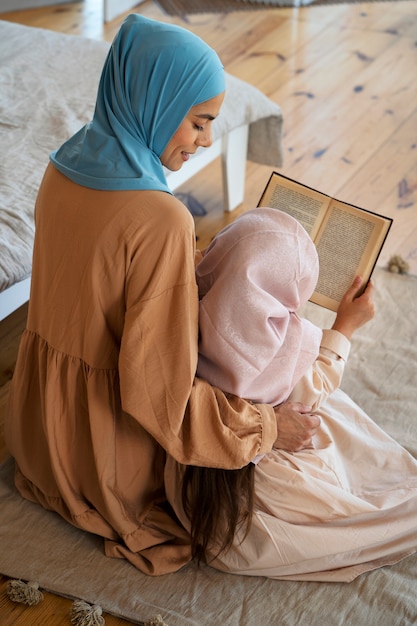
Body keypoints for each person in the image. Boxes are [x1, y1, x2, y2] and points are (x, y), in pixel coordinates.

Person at [4, 15, 318, 577]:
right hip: (102, 460)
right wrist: (267, 430)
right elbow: (158, 398)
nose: (204, 142)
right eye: (198, 123)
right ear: (157, 98)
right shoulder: (161, 217)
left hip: (34, 431)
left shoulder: (63, 163)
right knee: (281, 381)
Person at [165, 207, 417, 582]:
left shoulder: (180, 307)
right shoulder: (278, 349)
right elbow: (317, 385)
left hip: (192, 491)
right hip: (257, 496)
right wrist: (344, 327)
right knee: (332, 420)